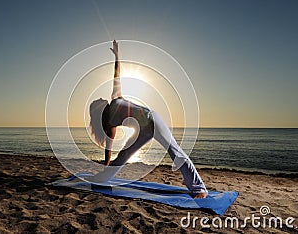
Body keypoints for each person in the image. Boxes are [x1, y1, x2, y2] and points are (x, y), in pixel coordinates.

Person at [88, 40, 208, 198]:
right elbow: (108, 150)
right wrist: (106, 166)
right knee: (127, 154)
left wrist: (117, 56)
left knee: (173, 151)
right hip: (147, 125)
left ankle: (199, 188)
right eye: (100, 101)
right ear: (99, 109)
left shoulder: (115, 97)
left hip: (152, 119)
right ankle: (103, 178)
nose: (103, 99)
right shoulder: (109, 121)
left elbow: (116, 75)